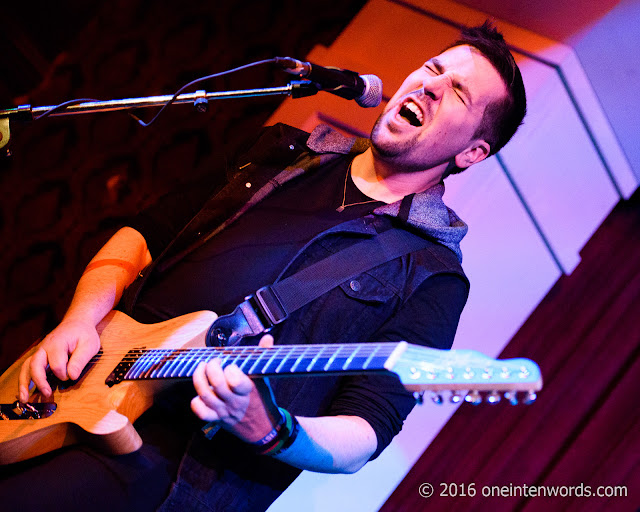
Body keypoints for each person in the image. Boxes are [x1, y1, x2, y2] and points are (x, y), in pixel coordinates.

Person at [3, 21, 526, 512]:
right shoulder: (281, 150)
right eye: (434, 68)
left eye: (458, 92)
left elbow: (366, 432)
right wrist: (79, 319)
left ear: (472, 152)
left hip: (167, 466)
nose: (432, 85)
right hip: (77, 381)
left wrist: (273, 429)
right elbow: (146, 233)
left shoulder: (430, 273)